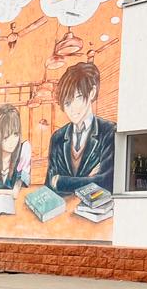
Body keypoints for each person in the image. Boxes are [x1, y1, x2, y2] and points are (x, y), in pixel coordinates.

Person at [45, 61, 117, 195]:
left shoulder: (109, 132)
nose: (72, 108)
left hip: (97, 207)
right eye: (67, 102)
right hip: (63, 207)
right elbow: (49, 186)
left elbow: (106, 183)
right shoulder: (58, 137)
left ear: (92, 92)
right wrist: (89, 180)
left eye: (78, 97)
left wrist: (60, 182)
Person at [0, 104, 32, 195]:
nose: (12, 141)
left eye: (15, 134)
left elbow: (15, 193)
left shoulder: (24, 149)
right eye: (5, 137)